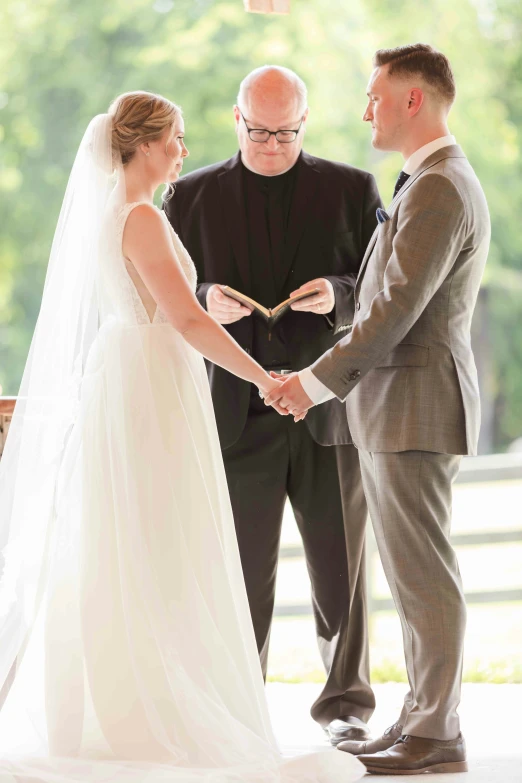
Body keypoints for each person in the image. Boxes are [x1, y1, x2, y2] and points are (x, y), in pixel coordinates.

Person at [0, 91, 365, 783]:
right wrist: (266, 378)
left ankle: (144, 694)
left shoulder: (124, 213)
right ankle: (149, 707)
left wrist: (206, 309)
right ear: (142, 144)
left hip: (140, 372)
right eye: (176, 139)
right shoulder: (138, 215)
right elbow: (188, 323)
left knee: (142, 536)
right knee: (156, 536)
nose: (184, 152)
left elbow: (177, 310)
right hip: (148, 383)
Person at [265, 44, 490, 775]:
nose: (365, 110)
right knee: (411, 570)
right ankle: (421, 719)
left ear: (413, 101)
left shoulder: (440, 187)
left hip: (414, 405)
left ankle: (437, 733)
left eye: (374, 96)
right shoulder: (427, 182)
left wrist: (312, 380)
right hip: (397, 405)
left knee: (423, 573)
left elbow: (392, 311)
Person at [164, 66, 381, 745]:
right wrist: (204, 302)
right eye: (259, 131)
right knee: (238, 573)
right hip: (235, 413)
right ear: (235, 119)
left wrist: (338, 295)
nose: (271, 143)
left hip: (326, 409)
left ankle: (347, 705)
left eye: (285, 132)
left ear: (306, 121)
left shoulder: (352, 188)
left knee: (342, 568)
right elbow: (167, 293)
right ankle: (236, 707)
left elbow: (379, 289)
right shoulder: (189, 196)